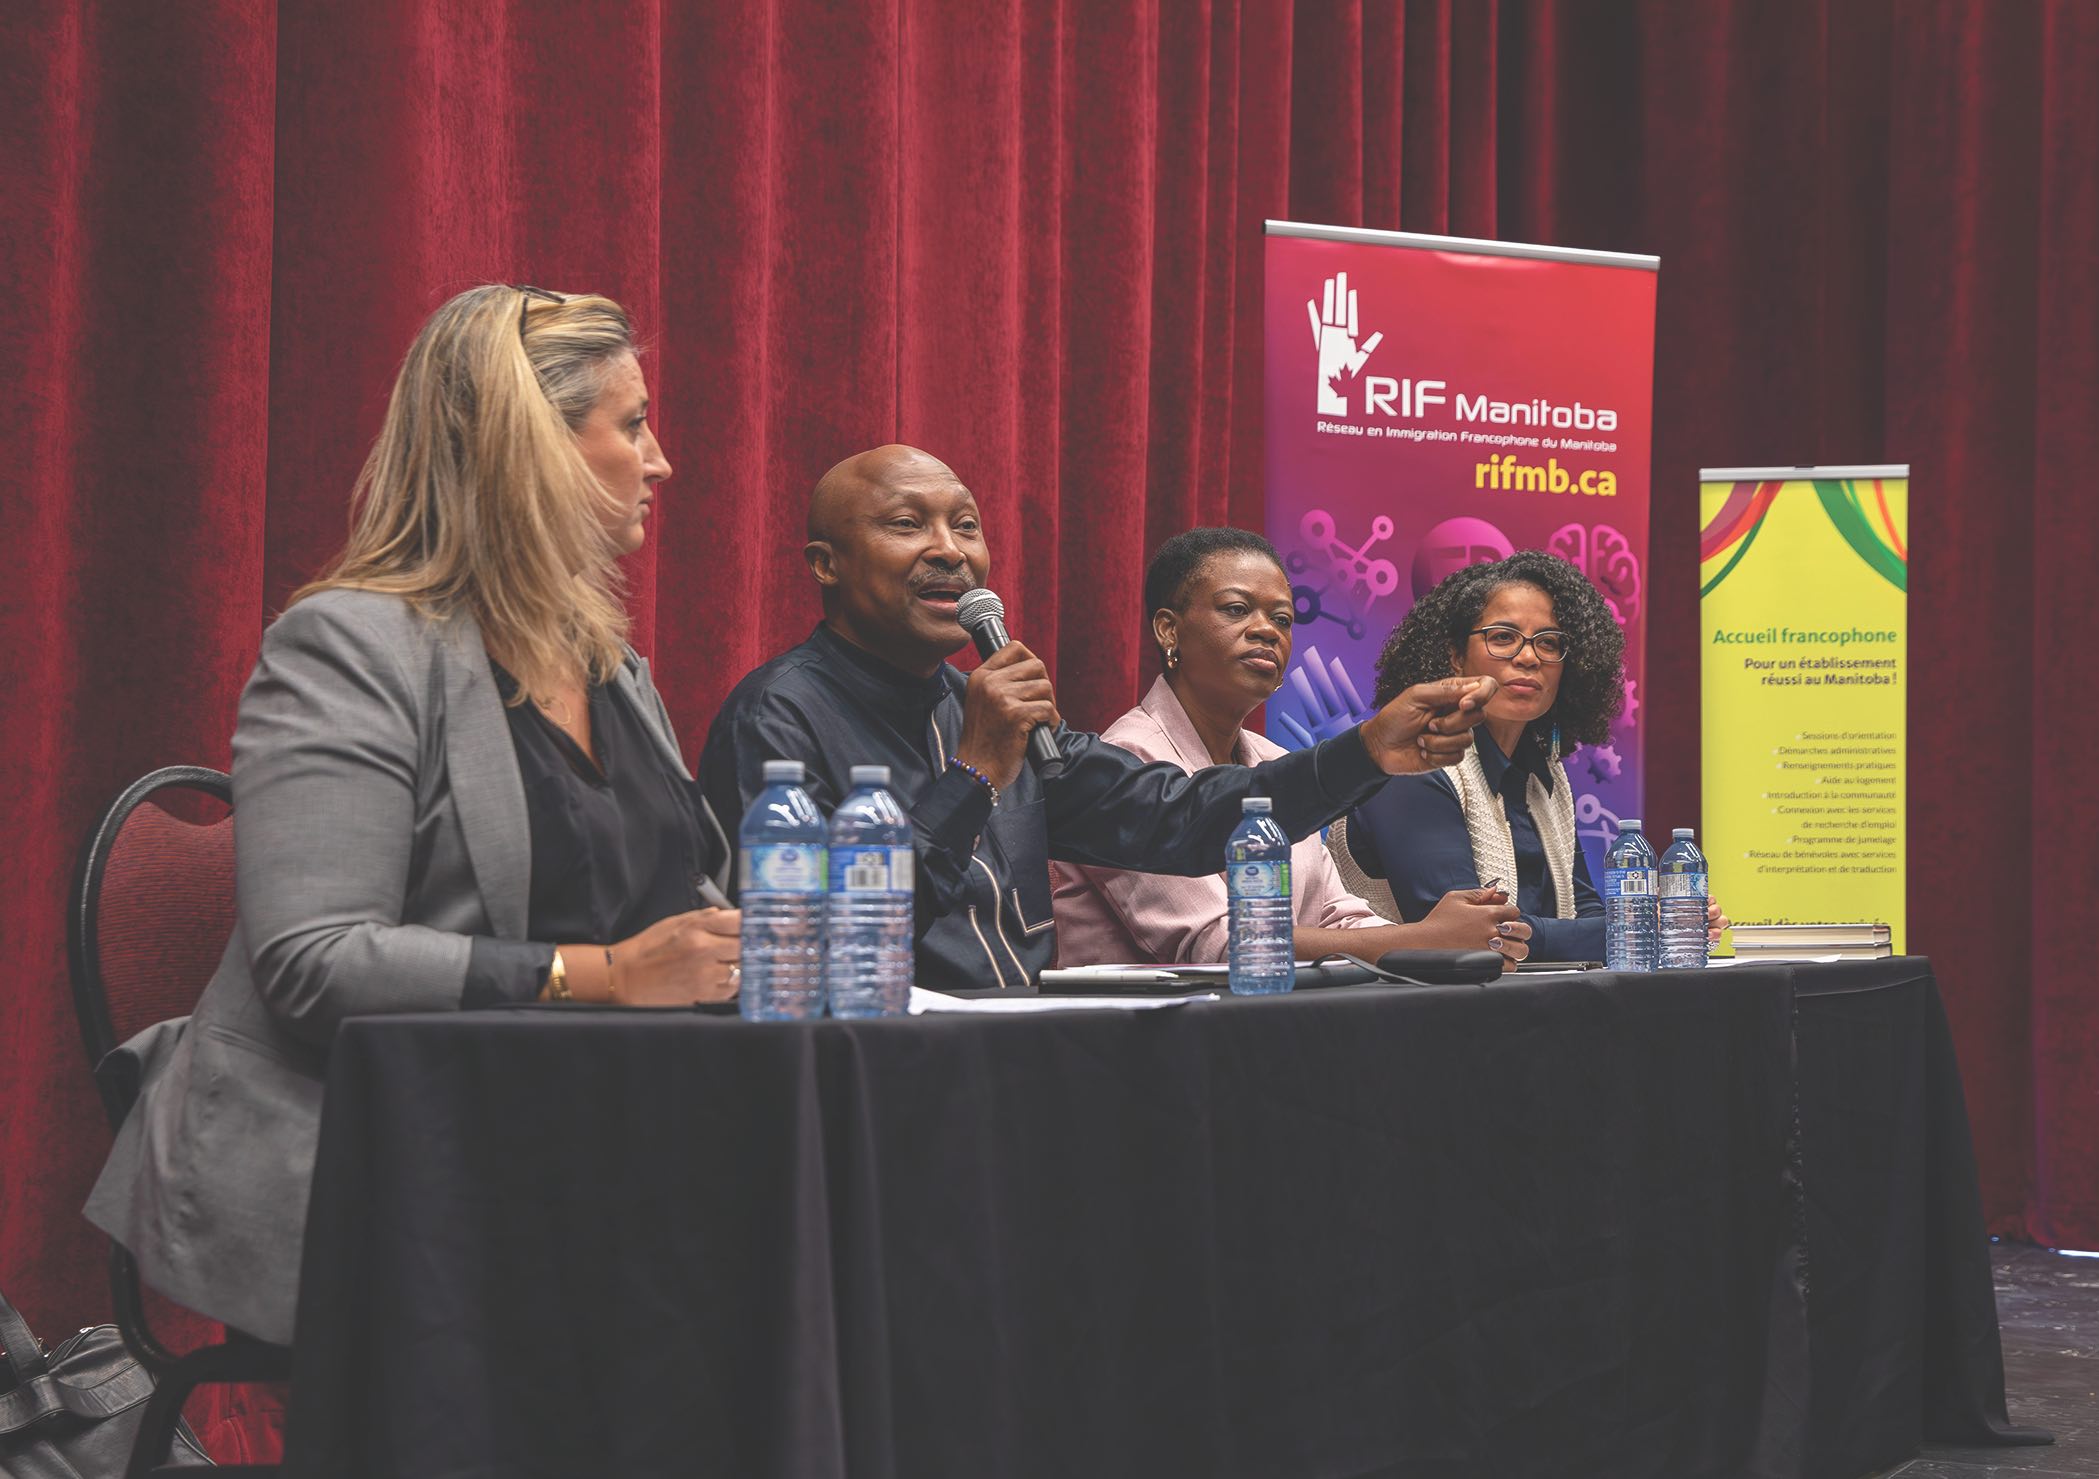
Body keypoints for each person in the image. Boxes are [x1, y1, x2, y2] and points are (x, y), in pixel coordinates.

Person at [85, 285, 738, 1347]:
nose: (660, 461)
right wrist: (606, 976)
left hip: (600, 1132)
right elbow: (315, 961)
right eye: (633, 425)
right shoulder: (349, 646)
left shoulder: (613, 667)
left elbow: (682, 897)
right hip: (394, 1157)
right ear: (535, 449)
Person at [695, 445, 1499, 992]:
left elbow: (1182, 817)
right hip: (870, 1072)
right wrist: (972, 776)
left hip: (1023, 1059)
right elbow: (815, 944)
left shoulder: (983, 709)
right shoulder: (779, 716)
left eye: (966, 525)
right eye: (908, 525)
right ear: (825, 564)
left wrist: (1364, 751)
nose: (950, 551)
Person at [1050, 528, 1533, 968]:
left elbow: (1336, 918)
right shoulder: (1130, 756)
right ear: (1168, 630)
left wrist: (1445, 938)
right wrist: (1425, 939)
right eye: (1236, 609)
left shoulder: (1274, 762)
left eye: (1282, 618)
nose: (1267, 630)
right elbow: (1222, 946)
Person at [1340, 551, 1723, 962]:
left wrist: (1665, 920)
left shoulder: (1547, 775)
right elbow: (1473, 934)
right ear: (1454, 656)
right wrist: (1640, 926)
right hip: (1408, 1011)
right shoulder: (1414, 761)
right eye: (1503, 637)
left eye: (1548, 643)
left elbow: (1583, 909)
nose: (1529, 657)